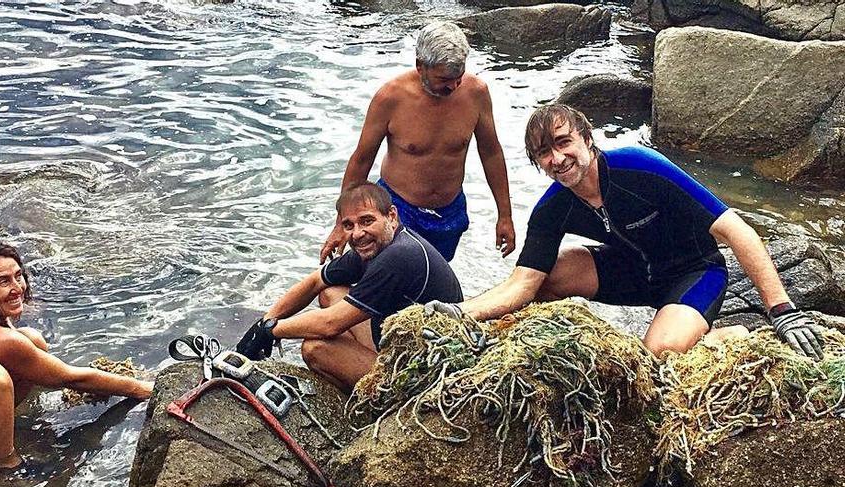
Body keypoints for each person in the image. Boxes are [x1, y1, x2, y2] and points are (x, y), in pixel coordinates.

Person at [425, 104, 825, 359]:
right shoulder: (553, 207)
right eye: (544, 154)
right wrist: (464, 314)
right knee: (552, 274)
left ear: (587, 137)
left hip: (693, 271)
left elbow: (738, 232)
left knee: (661, 353)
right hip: (632, 271)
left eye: (564, 143)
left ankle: (729, 335)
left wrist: (783, 312)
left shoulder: (641, 167)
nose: (557, 159)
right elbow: (523, 283)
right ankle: (547, 350)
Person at [320, 20, 515, 263]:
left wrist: (504, 215)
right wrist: (341, 223)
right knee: (390, 279)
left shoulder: (476, 93)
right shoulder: (390, 97)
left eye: (459, 76)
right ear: (420, 66)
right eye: (444, 78)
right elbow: (361, 160)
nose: (454, 86)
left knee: (433, 279)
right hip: (399, 208)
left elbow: (491, 153)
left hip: (449, 212)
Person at [238, 182, 463, 391]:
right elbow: (317, 280)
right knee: (331, 292)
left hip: (425, 372)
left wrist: (270, 331)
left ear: (392, 216)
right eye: (348, 225)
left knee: (315, 349)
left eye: (367, 221)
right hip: (400, 345)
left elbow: (330, 324)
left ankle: (373, 401)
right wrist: (266, 319)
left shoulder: (400, 256)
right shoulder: (376, 244)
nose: (357, 234)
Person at [0, 241, 153, 472]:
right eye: (4, 281)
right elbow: (70, 378)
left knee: (32, 340)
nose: (17, 288)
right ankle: (8, 468)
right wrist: (143, 389)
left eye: (18, 276)